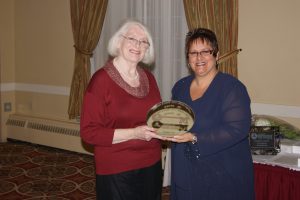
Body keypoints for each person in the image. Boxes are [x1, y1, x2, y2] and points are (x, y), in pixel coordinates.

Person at [167, 28, 255, 200]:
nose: (199, 58)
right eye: (193, 53)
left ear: (216, 55)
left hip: (222, 174)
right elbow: (176, 120)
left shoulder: (232, 88)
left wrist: (194, 137)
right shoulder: (180, 87)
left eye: (205, 52)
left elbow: (238, 129)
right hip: (185, 169)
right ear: (188, 59)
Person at [80, 20, 164, 200]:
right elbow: (89, 133)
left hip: (152, 163)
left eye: (143, 41)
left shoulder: (149, 78)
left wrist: (169, 129)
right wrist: (134, 133)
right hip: (116, 168)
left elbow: (157, 117)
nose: (138, 45)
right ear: (119, 42)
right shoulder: (100, 80)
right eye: (132, 38)